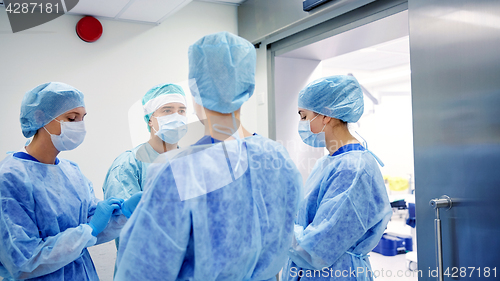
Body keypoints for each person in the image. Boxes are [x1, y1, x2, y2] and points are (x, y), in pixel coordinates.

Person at [115, 32, 303, 281]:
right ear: (248, 88)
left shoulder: (178, 171)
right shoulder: (278, 158)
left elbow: (143, 272)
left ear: (195, 94)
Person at [0, 82, 141, 281]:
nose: (79, 126)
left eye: (83, 118)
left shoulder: (72, 172)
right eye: (72, 118)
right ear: (40, 117)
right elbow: (22, 261)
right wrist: (88, 230)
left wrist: (123, 213)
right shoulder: (10, 179)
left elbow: (90, 231)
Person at [282, 75, 392, 281]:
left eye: (304, 116)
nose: (301, 123)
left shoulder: (353, 168)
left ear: (326, 116)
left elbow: (317, 246)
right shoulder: (328, 163)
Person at [102, 83, 187, 272]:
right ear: (150, 119)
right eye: (167, 110)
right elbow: (126, 228)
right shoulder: (128, 165)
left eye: (182, 111)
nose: (176, 116)